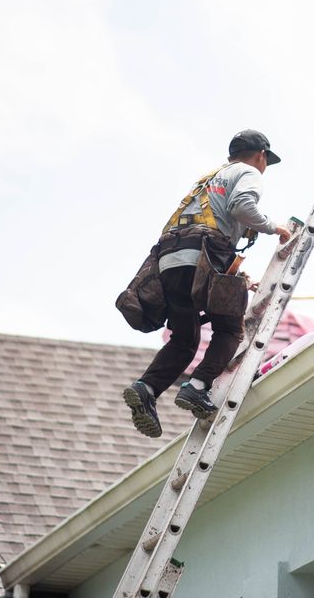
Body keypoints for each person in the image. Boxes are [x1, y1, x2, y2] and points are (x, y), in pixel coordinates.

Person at [123, 130, 292, 437]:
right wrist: (272, 227)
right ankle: (198, 386)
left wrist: (238, 278)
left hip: (171, 260)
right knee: (230, 329)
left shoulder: (207, 180)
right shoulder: (249, 173)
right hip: (203, 256)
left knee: (185, 339)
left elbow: (205, 233)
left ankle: (147, 388)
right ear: (261, 156)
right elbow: (242, 207)